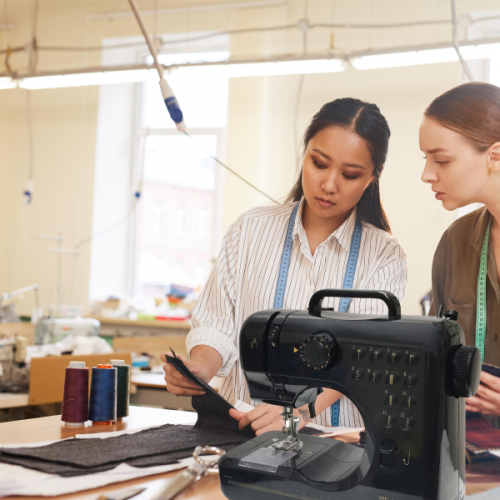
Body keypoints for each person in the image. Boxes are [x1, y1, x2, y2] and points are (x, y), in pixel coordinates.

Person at [162, 97, 408, 434]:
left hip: (337, 445)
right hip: (242, 434)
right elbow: (218, 324)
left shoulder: (385, 253)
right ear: (304, 152)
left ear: (372, 177)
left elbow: (361, 356)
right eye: (319, 163)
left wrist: (298, 412)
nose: (329, 184)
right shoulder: (250, 229)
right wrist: (200, 369)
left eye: (350, 174)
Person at [420, 82, 500, 424]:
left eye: (441, 160)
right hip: (472, 453)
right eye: (426, 159)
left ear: (495, 156)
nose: (426, 174)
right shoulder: (456, 241)